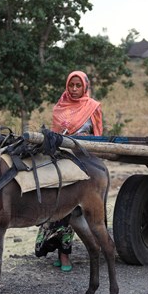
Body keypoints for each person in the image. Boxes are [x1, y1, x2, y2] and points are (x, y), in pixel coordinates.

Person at [35, 70, 103, 272]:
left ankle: (65, 254)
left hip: (82, 162)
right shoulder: (60, 106)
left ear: (85, 87)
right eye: (71, 85)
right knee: (53, 204)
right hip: (59, 160)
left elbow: (98, 136)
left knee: (70, 208)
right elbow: (56, 135)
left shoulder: (93, 107)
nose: (74, 89)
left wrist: (81, 137)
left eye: (78, 86)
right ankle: (57, 250)